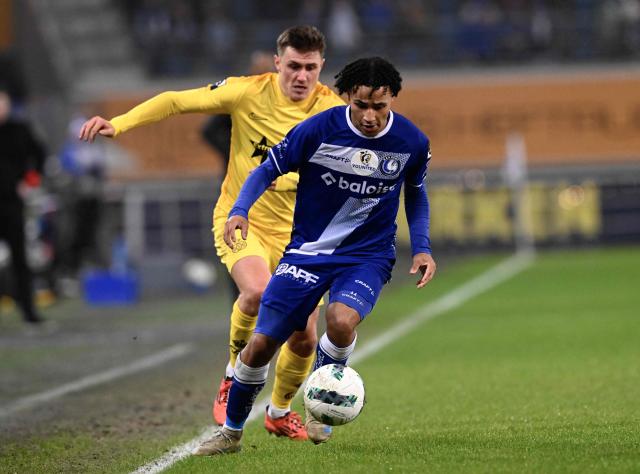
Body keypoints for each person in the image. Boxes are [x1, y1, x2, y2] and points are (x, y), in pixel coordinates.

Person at [78, 25, 345, 440]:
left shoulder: (333, 111)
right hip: (243, 219)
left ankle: (279, 411)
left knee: (306, 336)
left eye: (310, 68)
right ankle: (234, 377)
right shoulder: (245, 92)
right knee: (256, 293)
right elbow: (174, 101)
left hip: (301, 235)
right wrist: (120, 124)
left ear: (321, 67)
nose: (301, 77)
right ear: (278, 63)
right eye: (293, 66)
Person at [193, 57, 436, 456]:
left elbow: (417, 193)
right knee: (260, 347)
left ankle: (322, 403)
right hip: (307, 253)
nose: (370, 116)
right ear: (346, 98)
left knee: (340, 321)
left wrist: (423, 246)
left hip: (367, 255)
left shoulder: (411, 142)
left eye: (379, 106)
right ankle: (230, 433)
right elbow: (265, 170)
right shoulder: (318, 129)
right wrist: (239, 209)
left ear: (392, 98)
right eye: (361, 105)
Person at [0, 87, 47, 324]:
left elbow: (40, 155)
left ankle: (29, 311)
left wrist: (31, 182)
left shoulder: (19, 130)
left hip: (11, 205)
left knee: (20, 259)